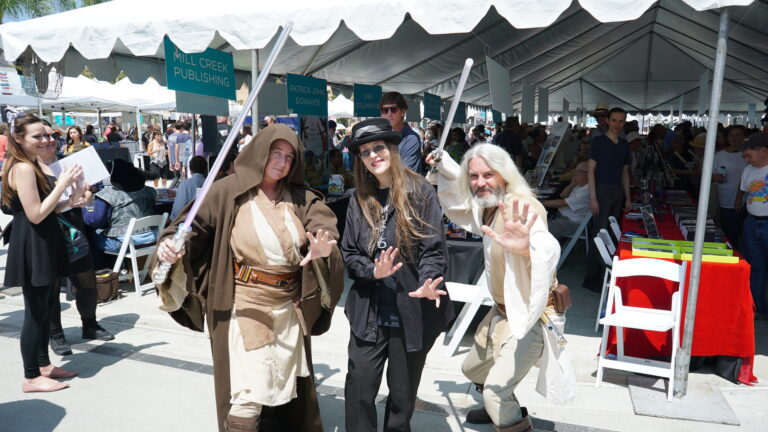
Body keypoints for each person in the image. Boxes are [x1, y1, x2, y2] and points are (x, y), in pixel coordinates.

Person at [154, 124, 344, 431]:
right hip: (244, 307)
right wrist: (173, 246)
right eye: (276, 153)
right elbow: (190, 228)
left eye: (289, 156)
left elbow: (324, 227)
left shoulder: (301, 197)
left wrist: (323, 246)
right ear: (260, 152)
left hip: (287, 311)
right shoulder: (227, 190)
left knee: (284, 390)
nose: (282, 162)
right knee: (247, 396)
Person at [426, 143, 574, 431]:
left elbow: (545, 245)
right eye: (474, 176)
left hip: (532, 318)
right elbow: (459, 196)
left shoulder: (524, 207)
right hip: (501, 313)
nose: (480, 183)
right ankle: (507, 406)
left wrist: (527, 250)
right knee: (472, 369)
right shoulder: (488, 205)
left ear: (504, 175)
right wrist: (444, 163)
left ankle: (504, 407)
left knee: (494, 391)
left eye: (488, 175)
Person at [342, 118, 454, 431]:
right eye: (365, 152)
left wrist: (428, 282)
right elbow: (349, 253)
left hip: (410, 312)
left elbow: (433, 250)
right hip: (369, 312)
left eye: (378, 147)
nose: (373, 156)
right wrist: (372, 271)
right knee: (359, 391)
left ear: (392, 149)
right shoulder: (358, 199)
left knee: (402, 401)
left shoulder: (420, 192)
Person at [2, 113, 82, 392]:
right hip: (33, 243)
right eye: (38, 136)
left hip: (45, 240)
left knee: (47, 308)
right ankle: (30, 377)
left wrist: (70, 200)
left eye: (48, 135)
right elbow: (34, 215)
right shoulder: (22, 168)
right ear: (19, 138)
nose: (46, 140)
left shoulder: (32, 165)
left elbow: (46, 209)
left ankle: (44, 365)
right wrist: (62, 184)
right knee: (35, 313)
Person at [37, 122, 115, 356]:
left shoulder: (68, 162)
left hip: (74, 231)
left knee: (86, 283)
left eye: (52, 136)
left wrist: (87, 193)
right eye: (43, 137)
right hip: (46, 235)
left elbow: (93, 189)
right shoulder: (30, 171)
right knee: (51, 288)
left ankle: (89, 324)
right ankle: (55, 334)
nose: (49, 141)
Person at [583, 107, 631, 292]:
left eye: (621, 121)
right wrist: (593, 197)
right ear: (608, 121)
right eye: (614, 120)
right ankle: (592, 277)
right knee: (599, 234)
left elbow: (625, 172)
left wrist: (627, 197)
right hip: (602, 191)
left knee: (610, 233)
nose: (617, 124)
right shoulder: (598, 142)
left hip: (617, 191)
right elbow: (591, 170)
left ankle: (605, 274)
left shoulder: (624, 145)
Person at [83, 159, 158, 268]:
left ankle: (102, 270)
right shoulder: (150, 191)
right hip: (152, 239)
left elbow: (95, 221)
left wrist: (84, 207)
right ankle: (120, 267)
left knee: (90, 235)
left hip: (124, 245)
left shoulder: (108, 195)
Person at [735, 134, 768, 319]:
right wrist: (738, 201)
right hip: (752, 221)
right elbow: (743, 189)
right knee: (756, 267)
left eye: (749, 156)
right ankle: (758, 307)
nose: (747, 160)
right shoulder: (749, 169)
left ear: (763, 151)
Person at [713, 125, 749, 250]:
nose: (734, 137)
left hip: (745, 201)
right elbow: (708, 175)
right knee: (729, 233)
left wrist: (739, 198)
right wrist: (714, 177)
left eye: (738, 134)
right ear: (727, 137)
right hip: (725, 199)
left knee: (742, 234)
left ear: (744, 137)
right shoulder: (719, 155)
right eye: (731, 135)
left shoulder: (747, 155)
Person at [379, 91, 424, 175]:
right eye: (385, 110)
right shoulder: (380, 136)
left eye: (393, 109)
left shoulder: (411, 138)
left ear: (403, 112)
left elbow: (405, 175)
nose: (389, 114)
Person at [542, 162, 590, 238]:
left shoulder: (587, 190)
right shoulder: (579, 185)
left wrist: (541, 203)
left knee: (540, 229)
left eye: (577, 171)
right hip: (562, 217)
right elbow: (562, 195)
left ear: (586, 174)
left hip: (572, 223)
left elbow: (562, 203)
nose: (574, 174)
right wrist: (572, 185)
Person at [170, 156, 207, 220]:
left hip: (187, 223)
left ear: (190, 169)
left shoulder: (185, 184)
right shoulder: (211, 183)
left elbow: (178, 211)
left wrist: (171, 219)